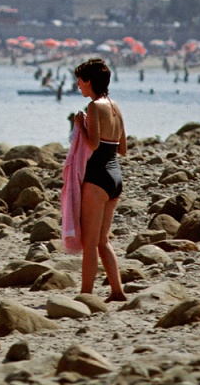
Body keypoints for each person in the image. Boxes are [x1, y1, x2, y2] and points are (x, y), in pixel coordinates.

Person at [71, 57, 127, 302]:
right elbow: (122, 148)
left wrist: (79, 125)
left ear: (89, 81)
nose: (78, 86)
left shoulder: (95, 107)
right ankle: (117, 291)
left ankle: (86, 295)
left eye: (80, 81)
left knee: (91, 242)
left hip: (97, 177)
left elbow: (92, 143)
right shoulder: (115, 106)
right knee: (104, 241)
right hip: (115, 175)